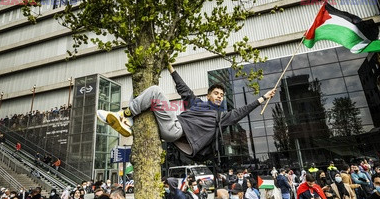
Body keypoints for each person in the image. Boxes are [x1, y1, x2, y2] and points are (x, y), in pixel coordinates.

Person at [97, 63, 277, 160]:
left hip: (176, 130)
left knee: (155, 92)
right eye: (216, 93)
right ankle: (130, 124)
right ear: (209, 95)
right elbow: (184, 90)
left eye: (222, 95)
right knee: (137, 93)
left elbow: (241, 111)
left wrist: (262, 98)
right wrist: (170, 68)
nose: (220, 97)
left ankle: (124, 115)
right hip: (170, 126)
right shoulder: (197, 104)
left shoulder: (221, 117)